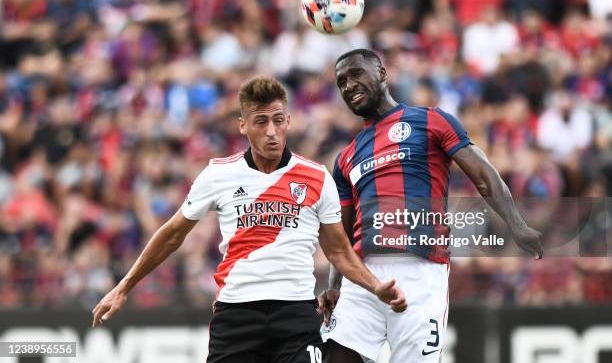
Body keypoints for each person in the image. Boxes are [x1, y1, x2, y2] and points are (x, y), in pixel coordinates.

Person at [91, 75, 407, 363]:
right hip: (236, 316)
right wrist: (124, 287)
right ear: (243, 125)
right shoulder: (219, 174)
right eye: (260, 122)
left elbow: (338, 252)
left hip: (295, 314)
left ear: (289, 122)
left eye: (278, 120)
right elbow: (173, 233)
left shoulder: (316, 177)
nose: (271, 131)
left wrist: (376, 286)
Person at [317, 49, 543, 363]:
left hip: (420, 271)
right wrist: (335, 285)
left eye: (357, 74)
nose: (349, 85)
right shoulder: (345, 158)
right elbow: (341, 232)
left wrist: (516, 224)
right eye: (341, 81)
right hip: (364, 276)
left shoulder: (430, 120)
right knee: (335, 357)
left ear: (382, 74)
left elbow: (483, 174)